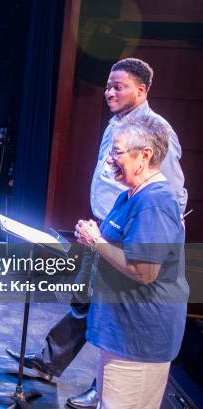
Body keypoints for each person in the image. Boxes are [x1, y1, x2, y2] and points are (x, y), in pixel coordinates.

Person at [6, 58, 187, 408]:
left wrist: (148, 235)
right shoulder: (116, 126)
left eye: (119, 86)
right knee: (87, 305)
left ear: (142, 89)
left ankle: (99, 384)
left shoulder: (155, 133)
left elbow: (170, 196)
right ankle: (58, 365)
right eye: (107, 85)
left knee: (110, 316)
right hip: (109, 230)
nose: (109, 92)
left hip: (130, 239)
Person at [74, 116, 188, 408]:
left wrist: (95, 241)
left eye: (117, 152)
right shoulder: (131, 195)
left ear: (145, 155)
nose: (110, 160)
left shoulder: (155, 201)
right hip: (123, 332)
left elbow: (144, 270)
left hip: (139, 336)